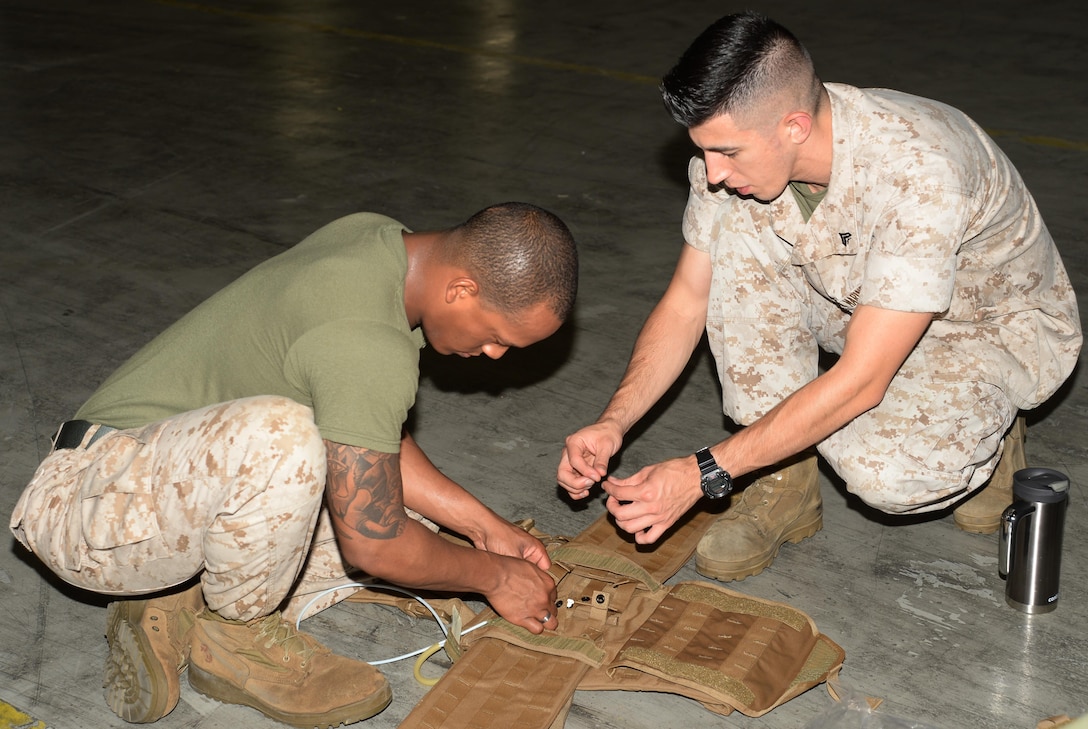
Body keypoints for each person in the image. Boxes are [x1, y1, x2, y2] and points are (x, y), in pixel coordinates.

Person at [557, 13, 1080, 584]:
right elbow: (686, 303)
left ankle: (993, 426)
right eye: (704, 151)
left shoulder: (920, 171)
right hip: (861, 296)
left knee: (886, 473)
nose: (712, 173)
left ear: (795, 126)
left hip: (984, 323)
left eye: (728, 152)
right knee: (735, 232)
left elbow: (861, 380)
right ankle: (786, 483)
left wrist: (704, 473)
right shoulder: (739, 163)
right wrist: (614, 422)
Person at [11, 203, 578, 726]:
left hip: (151, 483)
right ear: (461, 289)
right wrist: (497, 578)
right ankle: (236, 638)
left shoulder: (378, 242)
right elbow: (374, 544)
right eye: (499, 337)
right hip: (86, 508)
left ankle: (173, 598)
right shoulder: (364, 342)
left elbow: (362, 426)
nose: (496, 356)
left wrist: (484, 528)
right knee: (336, 487)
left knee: (424, 536)